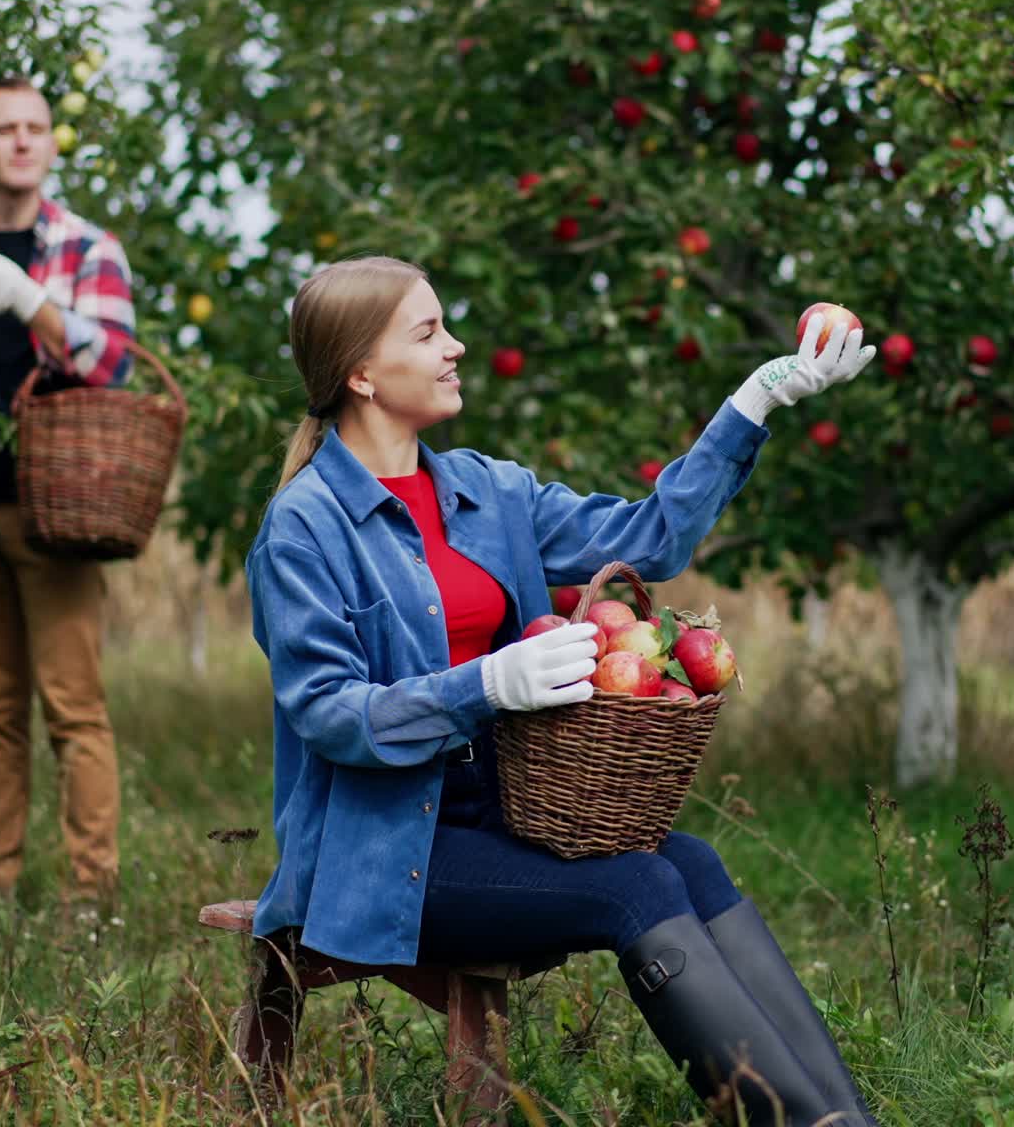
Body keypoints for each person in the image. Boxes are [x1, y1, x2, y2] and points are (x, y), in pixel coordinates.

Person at [245, 255, 881, 1125]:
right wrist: (486, 684)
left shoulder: (486, 491)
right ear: (360, 373)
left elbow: (647, 540)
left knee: (689, 860)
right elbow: (327, 714)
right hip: (379, 850)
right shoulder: (305, 526)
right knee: (638, 889)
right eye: (428, 333)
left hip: (507, 809)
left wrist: (753, 404)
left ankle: (847, 1121)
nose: (456, 346)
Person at [0, 75, 135, 912]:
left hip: (53, 510)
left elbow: (116, 365)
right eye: (3, 128)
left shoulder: (83, 247)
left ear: (50, 142)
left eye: (34, 128)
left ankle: (90, 899)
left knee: (72, 709)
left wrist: (30, 302)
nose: (19, 141)